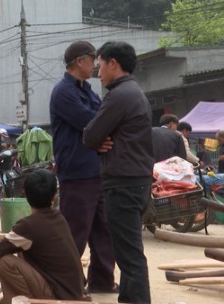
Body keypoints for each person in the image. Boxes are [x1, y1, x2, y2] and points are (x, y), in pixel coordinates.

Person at [83, 41, 154, 304]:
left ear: (113, 63)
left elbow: (90, 135)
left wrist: (96, 140)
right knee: (128, 253)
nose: (98, 72)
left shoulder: (120, 95)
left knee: (129, 256)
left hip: (124, 183)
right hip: (136, 181)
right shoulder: (133, 92)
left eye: (100, 64)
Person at [0, 169, 86, 303]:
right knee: (18, 250)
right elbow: (8, 244)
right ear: (54, 195)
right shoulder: (58, 218)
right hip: (74, 292)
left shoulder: (29, 226)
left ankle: (25, 302)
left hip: (60, 296)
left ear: (25, 194)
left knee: (7, 263)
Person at [49, 40, 117, 294]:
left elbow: (102, 118)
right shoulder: (63, 92)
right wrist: (102, 132)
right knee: (75, 231)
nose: (96, 66)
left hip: (97, 169)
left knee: (103, 230)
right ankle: (68, 283)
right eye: (93, 60)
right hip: (77, 172)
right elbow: (91, 122)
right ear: (80, 61)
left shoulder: (88, 91)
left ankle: (101, 279)